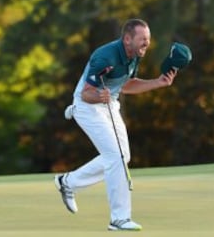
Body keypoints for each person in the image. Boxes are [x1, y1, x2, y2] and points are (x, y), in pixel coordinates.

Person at [54, 18, 179, 231]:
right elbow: (86, 93)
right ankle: (119, 218)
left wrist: (157, 83)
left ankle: (68, 182)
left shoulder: (134, 56)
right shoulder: (105, 57)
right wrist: (99, 97)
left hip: (109, 102)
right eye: (142, 39)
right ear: (127, 39)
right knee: (116, 157)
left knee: (123, 156)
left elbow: (126, 85)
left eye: (148, 39)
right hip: (88, 105)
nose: (146, 44)